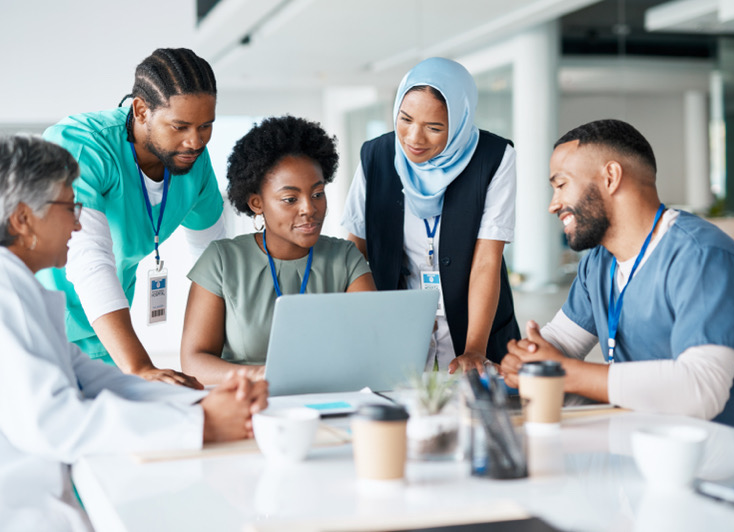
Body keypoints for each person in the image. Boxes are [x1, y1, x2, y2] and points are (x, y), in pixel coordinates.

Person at [0, 135, 269, 532]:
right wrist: (201, 425)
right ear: (23, 219)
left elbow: (96, 381)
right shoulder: (7, 292)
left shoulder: (23, 290)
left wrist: (203, 400)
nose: (78, 221)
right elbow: (53, 421)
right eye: (69, 205)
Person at [501, 119, 734, 430]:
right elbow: (561, 342)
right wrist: (526, 358)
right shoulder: (599, 262)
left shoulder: (703, 257)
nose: (554, 205)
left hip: (721, 458)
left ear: (610, 177)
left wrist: (562, 371)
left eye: (561, 184)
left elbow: (700, 389)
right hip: (642, 442)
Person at [37, 48, 226, 389]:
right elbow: (87, 258)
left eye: (206, 126)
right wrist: (139, 365)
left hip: (102, 338)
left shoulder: (192, 160)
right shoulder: (83, 146)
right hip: (34, 327)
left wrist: (219, 353)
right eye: (180, 126)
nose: (195, 141)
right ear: (140, 110)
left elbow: (213, 261)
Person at [341, 57, 520, 374]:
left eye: (434, 127)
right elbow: (355, 249)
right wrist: (365, 325)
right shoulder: (377, 156)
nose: (414, 138)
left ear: (460, 121)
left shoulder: (493, 158)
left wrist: (475, 349)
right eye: (405, 119)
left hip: (477, 324)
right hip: (398, 325)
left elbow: (486, 261)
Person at [180, 116, 376, 385]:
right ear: (256, 203)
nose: (309, 208)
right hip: (248, 403)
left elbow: (373, 344)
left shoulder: (345, 259)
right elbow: (194, 362)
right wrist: (263, 376)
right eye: (290, 199)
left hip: (331, 399)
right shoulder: (222, 261)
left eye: (317, 194)